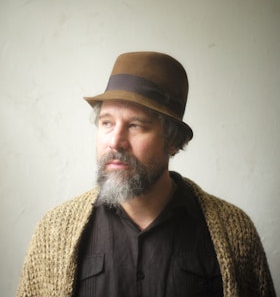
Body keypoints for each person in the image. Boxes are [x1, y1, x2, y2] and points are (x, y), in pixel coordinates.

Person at [17, 52, 276, 297]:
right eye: (106, 123)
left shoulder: (235, 233)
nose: (115, 141)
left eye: (135, 125)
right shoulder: (53, 232)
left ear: (172, 141)